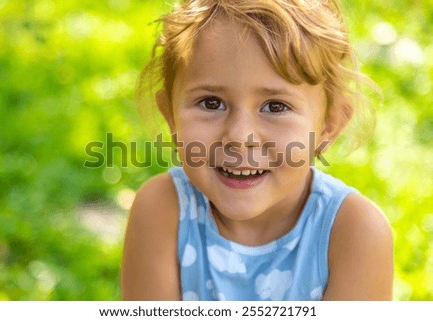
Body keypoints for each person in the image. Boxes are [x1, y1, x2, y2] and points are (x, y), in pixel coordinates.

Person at [121, 0, 393, 301]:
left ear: (328, 125)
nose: (239, 137)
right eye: (211, 103)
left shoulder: (354, 233)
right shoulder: (162, 211)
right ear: (170, 116)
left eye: (275, 106)